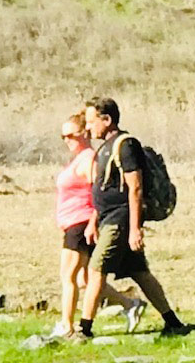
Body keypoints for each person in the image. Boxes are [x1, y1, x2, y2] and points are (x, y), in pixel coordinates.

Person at [78, 97, 188, 339]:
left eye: (91, 121)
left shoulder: (126, 145)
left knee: (96, 270)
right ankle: (174, 323)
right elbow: (105, 186)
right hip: (108, 219)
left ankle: (84, 329)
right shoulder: (104, 148)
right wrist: (93, 221)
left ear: (107, 119)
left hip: (121, 220)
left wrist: (134, 229)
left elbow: (134, 188)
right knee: (140, 273)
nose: (88, 128)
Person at [53, 111, 145, 338]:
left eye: (70, 135)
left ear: (83, 133)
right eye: (62, 137)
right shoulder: (78, 158)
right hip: (71, 222)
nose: (66, 141)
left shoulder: (88, 159)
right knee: (85, 279)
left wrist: (93, 221)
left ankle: (67, 325)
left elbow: (97, 192)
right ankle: (129, 303)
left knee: (69, 276)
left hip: (80, 222)